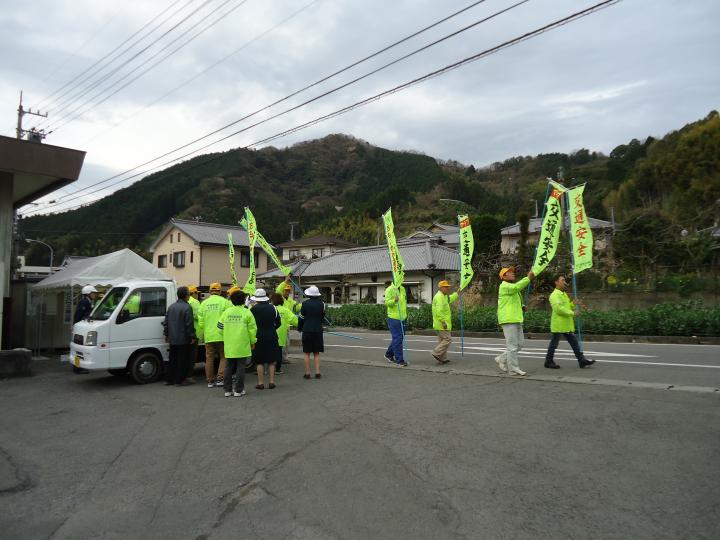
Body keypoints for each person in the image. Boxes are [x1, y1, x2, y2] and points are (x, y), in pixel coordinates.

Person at [545, 275, 595, 369]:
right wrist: (573, 313)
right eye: (562, 280)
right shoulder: (554, 295)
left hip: (566, 324)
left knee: (574, 343)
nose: (565, 282)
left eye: (564, 280)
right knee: (554, 344)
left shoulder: (564, 294)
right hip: (559, 324)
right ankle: (548, 361)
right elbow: (558, 309)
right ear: (556, 282)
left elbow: (566, 307)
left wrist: (573, 304)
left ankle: (582, 360)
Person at [495, 267, 535, 376]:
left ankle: (501, 358)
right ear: (504, 276)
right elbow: (517, 287)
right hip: (508, 319)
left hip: (516, 318)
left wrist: (522, 306)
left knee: (520, 344)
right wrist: (528, 278)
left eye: (512, 272)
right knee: (512, 346)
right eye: (510, 272)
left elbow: (512, 300)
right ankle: (513, 369)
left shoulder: (511, 287)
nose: (513, 273)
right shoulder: (504, 286)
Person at [217, 289, 257, 397]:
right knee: (241, 367)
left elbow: (219, 328)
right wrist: (253, 341)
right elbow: (252, 329)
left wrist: (227, 335)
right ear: (244, 300)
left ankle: (227, 390)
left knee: (228, 366)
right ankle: (238, 390)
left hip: (229, 343)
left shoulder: (226, 312)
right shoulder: (247, 312)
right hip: (242, 344)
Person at [163, 286, 197, 386]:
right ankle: (179, 380)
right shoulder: (187, 307)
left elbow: (166, 322)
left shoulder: (171, 307)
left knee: (172, 359)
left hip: (173, 338)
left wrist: (166, 334)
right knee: (182, 360)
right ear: (187, 296)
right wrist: (192, 336)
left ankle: (169, 379)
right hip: (183, 339)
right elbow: (189, 324)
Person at [198, 282, 229, 388]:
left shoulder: (203, 303)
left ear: (210, 291)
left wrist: (205, 330)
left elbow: (200, 322)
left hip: (209, 335)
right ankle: (220, 379)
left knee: (209, 358)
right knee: (223, 357)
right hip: (222, 335)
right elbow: (228, 319)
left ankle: (210, 381)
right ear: (220, 291)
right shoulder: (225, 302)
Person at [250, 289, 281, 389]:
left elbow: (250, 325)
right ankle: (271, 382)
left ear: (256, 299)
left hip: (258, 336)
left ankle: (260, 383)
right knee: (271, 360)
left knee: (260, 361)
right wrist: (272, 328)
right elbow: (278, 322)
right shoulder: (273, 308)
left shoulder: (253, 309)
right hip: (272, 335)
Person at [299, 285, 325, 379]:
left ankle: (307, 373)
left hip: (307, 330)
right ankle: (318, 373)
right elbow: (322, 318)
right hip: (318, 330)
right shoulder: (322, 304)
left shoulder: (305, 304)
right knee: (316, 352)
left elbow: (301, 317)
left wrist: (299, 328)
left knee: (306, 352)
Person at [431, 280, 459, 364]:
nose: (448, 289)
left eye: (448, 287)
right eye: (446, 287)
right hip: (442, 323)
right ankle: (436, 352)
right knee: (447, 339)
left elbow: (450, 299)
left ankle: (442, 358)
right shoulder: (439, 297)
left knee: (442, 340)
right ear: (441, 288)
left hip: (440, 323)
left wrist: (457, 293)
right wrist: (443, 322)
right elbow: (439, 311)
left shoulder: (444, 296)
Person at [72, 285, 98, 374]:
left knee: (80, 349)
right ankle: (77, 368)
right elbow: (79, 315)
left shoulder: (89, 301)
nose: (95, 294)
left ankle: (79, 366)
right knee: (78, 349)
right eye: (93, 293)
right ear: (88, 293)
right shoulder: (84, 302)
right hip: (80, 328)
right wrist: (76, 326)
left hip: (82, 327)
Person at [271, 293, 298, 374]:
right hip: (281, 334)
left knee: (269, 351)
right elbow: (295, 320)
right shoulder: (286, 310)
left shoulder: (270, 308)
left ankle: (266, 369)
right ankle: (278, 369)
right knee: (279, 351)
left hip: (270, 333)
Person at [383, 281, 407, 366]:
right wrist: (394, 300)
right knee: (398, 338)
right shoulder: (389, 289)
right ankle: (399, 359)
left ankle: (389, 354)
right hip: (394, 318)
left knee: (399, 337)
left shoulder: (403, 289)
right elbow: (386, 303)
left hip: (403, 317)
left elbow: (404, 302)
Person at [186, 285, 202, 381]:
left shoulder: (185, 301)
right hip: (195, 332)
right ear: (194, 293)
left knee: (186, 355)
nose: (197, 295)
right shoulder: (195, 302)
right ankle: (189, 375)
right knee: (192, 356)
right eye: (197, 293)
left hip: (185, 332)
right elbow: (198, 316)